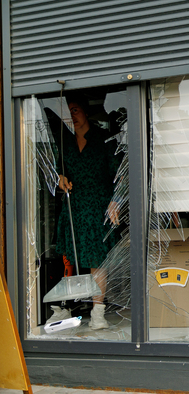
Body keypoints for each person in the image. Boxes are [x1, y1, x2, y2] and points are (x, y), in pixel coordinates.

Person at [47, 95, 123, 330]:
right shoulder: (65, 143)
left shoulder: (105, 140)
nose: (72, 116)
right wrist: (59, 178)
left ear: (86, 112)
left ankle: (98, 314)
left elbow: (120, 175)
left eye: (76, 110)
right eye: (68, 113)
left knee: (97, 261)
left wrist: (116, 201)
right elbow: (59, 172)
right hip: (74, 209)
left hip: (99, 208)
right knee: (68, 259)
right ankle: (61, 308)